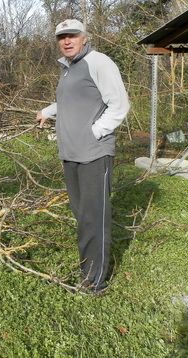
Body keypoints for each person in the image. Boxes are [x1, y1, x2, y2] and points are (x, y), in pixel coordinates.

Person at [36, 19, 130, 295]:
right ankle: (87, 269)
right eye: (61, 37)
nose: (67, 41)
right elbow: (69, 102)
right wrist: (47, 111)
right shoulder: (68, 69)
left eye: (72, 36)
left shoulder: (99, 62)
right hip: (71, 154)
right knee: (81, 214)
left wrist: (96, 132)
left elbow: (120, 104)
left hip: (93, 154)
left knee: (93, 217)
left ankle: (94, 281)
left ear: (84, 37)